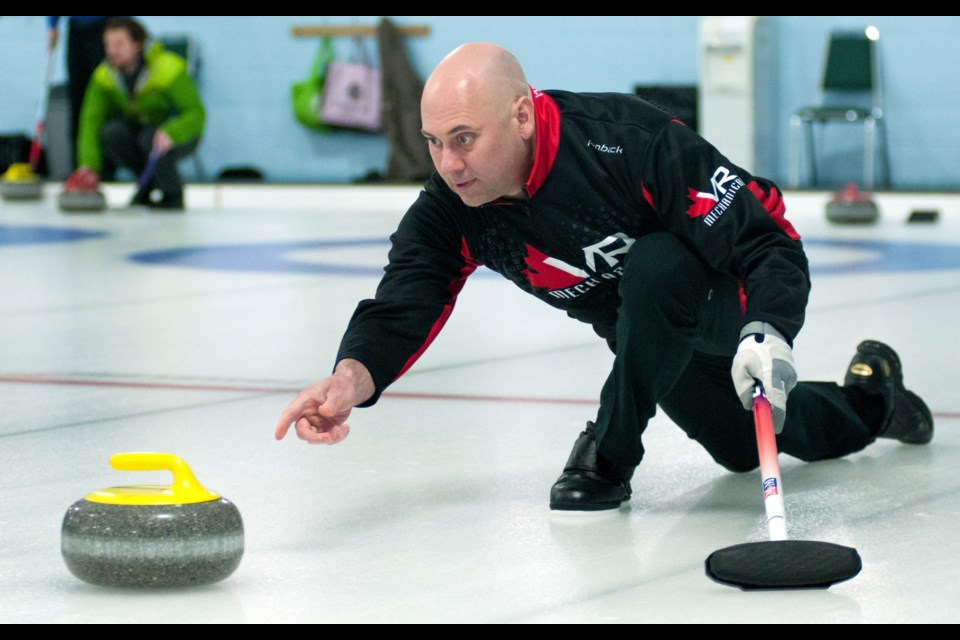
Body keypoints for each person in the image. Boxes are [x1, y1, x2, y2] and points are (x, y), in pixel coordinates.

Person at [274, 43, 933, 512]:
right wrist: (348, 380)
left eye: (465, 138)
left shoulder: (624, 141)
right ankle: (875, 399)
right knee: (741, 447)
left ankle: (608, 454)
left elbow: (765, 238)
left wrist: (769, 330)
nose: (448, 163)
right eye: (434, 142)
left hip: (724, 293)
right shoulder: (455, 207)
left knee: (655, 264)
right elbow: (406, 299)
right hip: (644, 335)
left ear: (523, 116)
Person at [68, 17, 204, 210]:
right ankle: (146, 186)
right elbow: (90, 120)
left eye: (119, 44)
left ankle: (172, 194)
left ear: (138, 44)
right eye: (107, 44)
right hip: (142, 133)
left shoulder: (168, 68)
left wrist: (173, 132)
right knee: (112, 133)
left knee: (150, 138)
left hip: (179, 134)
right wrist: (88, 164)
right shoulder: (105, 76)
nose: (111, 51)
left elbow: (196, 113)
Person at [47, 16, 126, 167]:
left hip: (104, 27)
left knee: (104, 100)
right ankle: (79, 168)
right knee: (77, 101)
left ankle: (106, 167)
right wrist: (52, 24)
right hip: (76, 29)